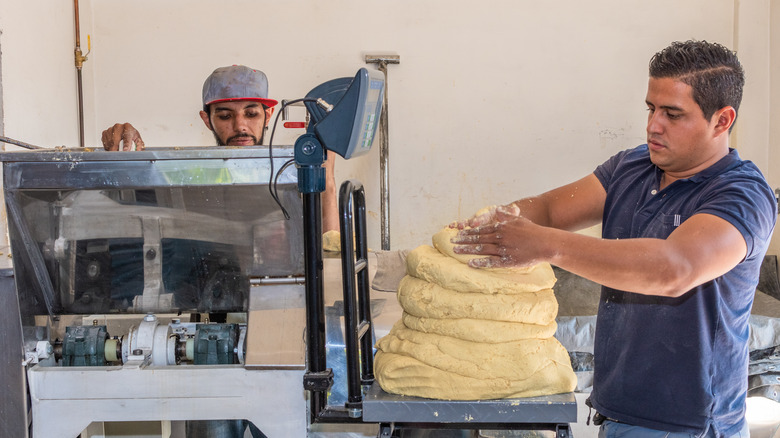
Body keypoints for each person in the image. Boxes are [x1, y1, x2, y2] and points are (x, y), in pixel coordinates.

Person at [452, 40, 776, 437]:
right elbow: (551, 210)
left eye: (673, 114)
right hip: (619, 411)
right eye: (651, 108)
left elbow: (675, 269)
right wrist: (486, 229)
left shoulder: (741, 194)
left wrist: (544, 244)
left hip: (688, 423)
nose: (653, 125)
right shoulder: (632, 166)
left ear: (722, 120)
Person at [101, 65, 338, 232]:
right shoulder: (190, 178)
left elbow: (331, 251)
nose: (240, 126)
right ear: (207, 120)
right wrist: (123, 160)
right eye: (225, 116)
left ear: (268, 116)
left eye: (251, 114)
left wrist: (327, 181)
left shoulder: (292, 176)